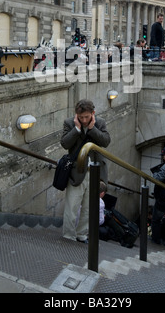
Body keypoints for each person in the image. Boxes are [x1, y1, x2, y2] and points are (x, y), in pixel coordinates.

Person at [60, 99, 111, 243]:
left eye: (86, 117)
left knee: (89, 208)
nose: (83, 120)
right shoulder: (69, 123)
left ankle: (82, 235)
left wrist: (92, 129)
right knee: (72, 207)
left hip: (95, 172)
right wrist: (76, 129)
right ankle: (68, 235)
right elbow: (64, 143)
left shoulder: (100, 123)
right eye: (81, 117)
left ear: (93, 114)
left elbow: (106, 141)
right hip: (77, 172)